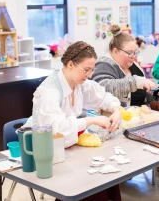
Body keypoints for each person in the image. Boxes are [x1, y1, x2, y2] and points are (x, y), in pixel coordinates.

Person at [23, 41, 122, 201]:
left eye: (92, 70)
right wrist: (91, 120)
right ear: (70, 64)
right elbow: (57, 130)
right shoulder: (49, 91)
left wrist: (116, 110)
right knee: (93, 181)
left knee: (107, 176)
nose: (89, 75)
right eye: (86, 70)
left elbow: (104, 97)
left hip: (67, 148)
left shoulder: (80, 83)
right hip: (46, 152)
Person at [92, 24, 159, 107]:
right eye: (130, 53)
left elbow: (142, 96)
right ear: (115, 51)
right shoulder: (103, 65)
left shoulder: (135, 67)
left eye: (135, 52)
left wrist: (156, 94)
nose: (134, 56)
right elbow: (103, 88)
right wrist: (136, 82)